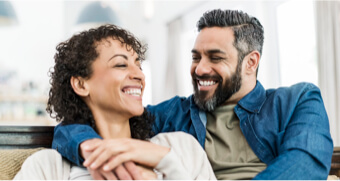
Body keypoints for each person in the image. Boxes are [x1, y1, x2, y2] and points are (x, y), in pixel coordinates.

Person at [52, 9, 333, 180]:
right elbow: (75, 125)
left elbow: (305, 166)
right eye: (196, 56)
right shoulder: (174, 115)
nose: (200, 68)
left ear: (251, 62)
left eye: (215, 57)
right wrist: (88, 147)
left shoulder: (297, 101)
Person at [14, 24, 216, 180]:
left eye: (139, 64)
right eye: (121, 64)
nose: (138, 74)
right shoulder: (48, 167)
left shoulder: (181, 148)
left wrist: (167, 162)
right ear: (81, 84)